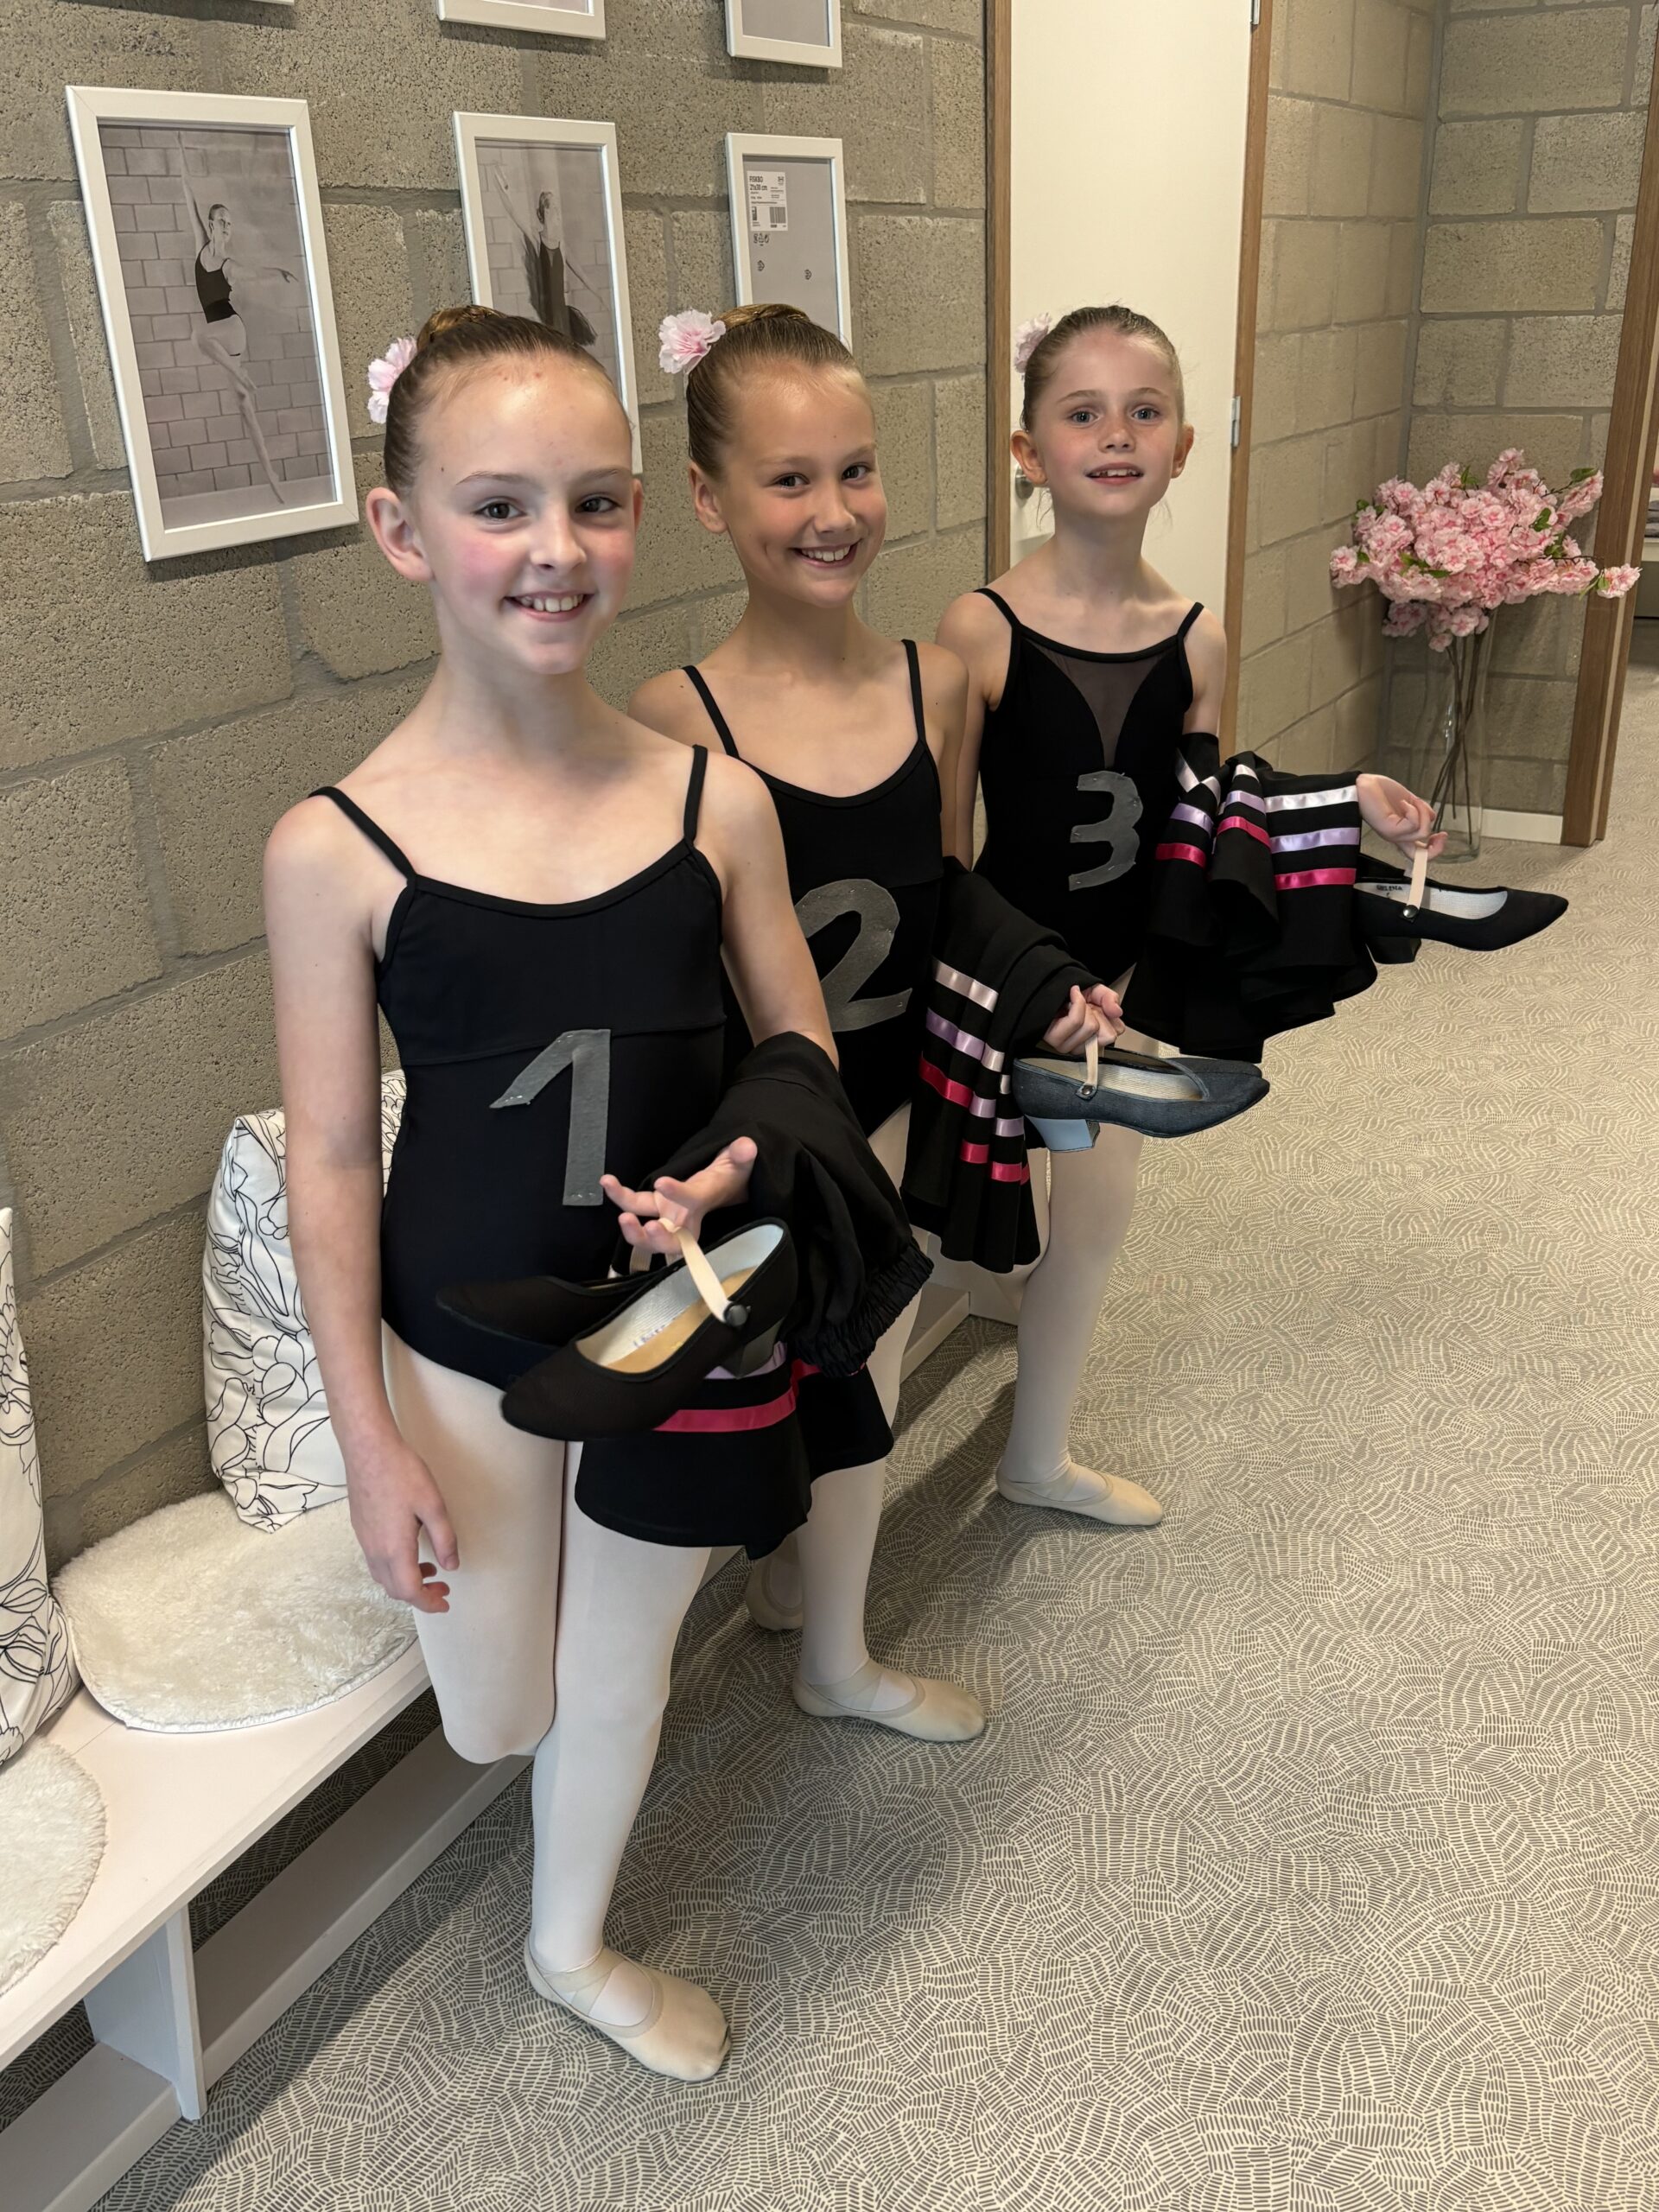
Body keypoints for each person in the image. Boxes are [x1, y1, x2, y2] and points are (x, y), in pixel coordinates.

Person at [264, 304, 850, 2084]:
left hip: (671, 1323)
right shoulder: (333, 847)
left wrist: (742, 1163)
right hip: (466, 1341)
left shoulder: (715, 803)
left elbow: (800, 1042)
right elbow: (330, 1158)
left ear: (641, 515)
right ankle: (546, 1829)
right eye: (500, 506)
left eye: (595, 502)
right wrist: (367, 1437)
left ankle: (567, 1942)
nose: (557, 550)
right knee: (497, 1710)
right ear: (403, 531)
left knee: (620, 1670)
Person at [633, 303, 1118, 1738]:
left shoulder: (935, 681)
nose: (834, 512)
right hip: (766, 1129)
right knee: (769, 1378)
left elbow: (945, 884)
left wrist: (1047, 983)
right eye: (789, 479)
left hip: (897, 1102)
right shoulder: (675, 715)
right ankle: (782, 1584)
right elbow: (680, 964)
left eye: (856, 470)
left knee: (866, 1376)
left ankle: (834, 1654)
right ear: (710, 498)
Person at [938, 304, 1443, 1527]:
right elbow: (943, 851)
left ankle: (1035, 1457)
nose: (1117, 435)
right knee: (950, 1211)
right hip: (1006, 974)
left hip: (1121, 981)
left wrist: (1346, 796)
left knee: (1095, 1219)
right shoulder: (979, 628)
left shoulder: (1198, 638)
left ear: (1183, 447)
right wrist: (1019, 981)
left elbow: (1209, 816)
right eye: (1084, 413)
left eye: (1145, 412)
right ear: (1029, 450)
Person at [179, 151, 299, 504]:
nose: (226, 227)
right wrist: (181, 156)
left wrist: (277, 272)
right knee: (246, 410)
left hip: (231, 329)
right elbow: (188, 195)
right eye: (222, 222)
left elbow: (253, 274)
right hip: (221, 340)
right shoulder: (201, 249)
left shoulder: (228, 265)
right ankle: (272, 476)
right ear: (210, 225)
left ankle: (239, 373)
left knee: (197, 336)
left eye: (230, 224)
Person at [489, 165, 598, 346]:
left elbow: (582, 275)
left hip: (561, 313)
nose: (557, 213)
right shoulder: (537, 239)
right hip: (545, 312)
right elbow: (514, 213)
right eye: (553, 208)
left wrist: (602, 297)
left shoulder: (562, 245)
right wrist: (503, 190)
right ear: (545, 212)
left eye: (557, 208)